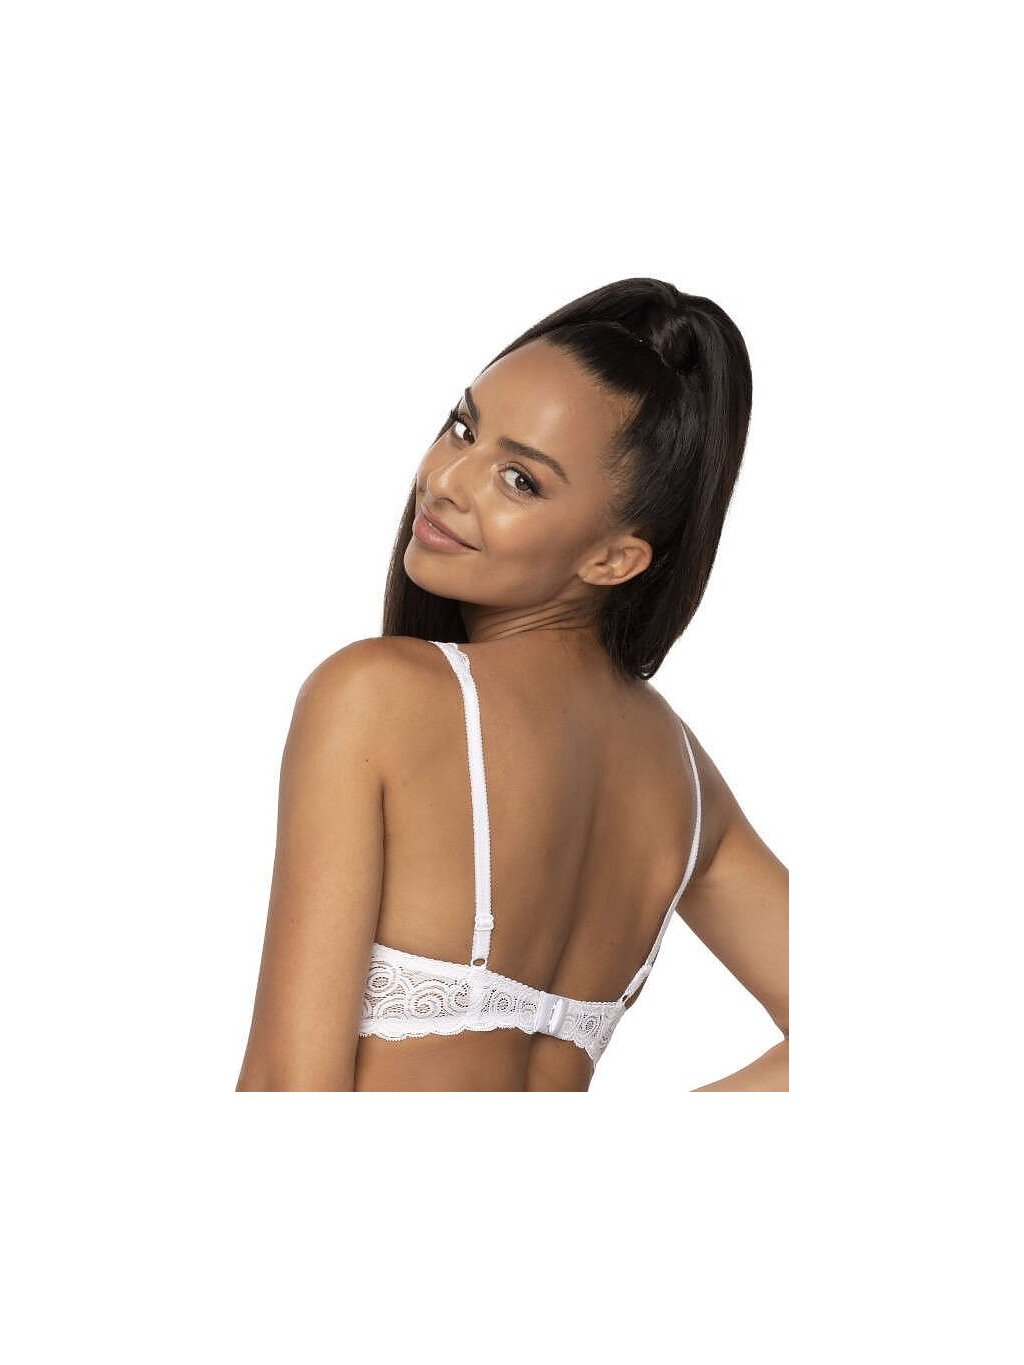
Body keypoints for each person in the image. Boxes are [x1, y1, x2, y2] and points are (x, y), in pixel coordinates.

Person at [235, 277, 788, 1092]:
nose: (447, 480)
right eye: (464, 428)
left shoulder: (374, 698)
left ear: (614, 558)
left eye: (520, 479)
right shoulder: (684, 784)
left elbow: (289, 1085)